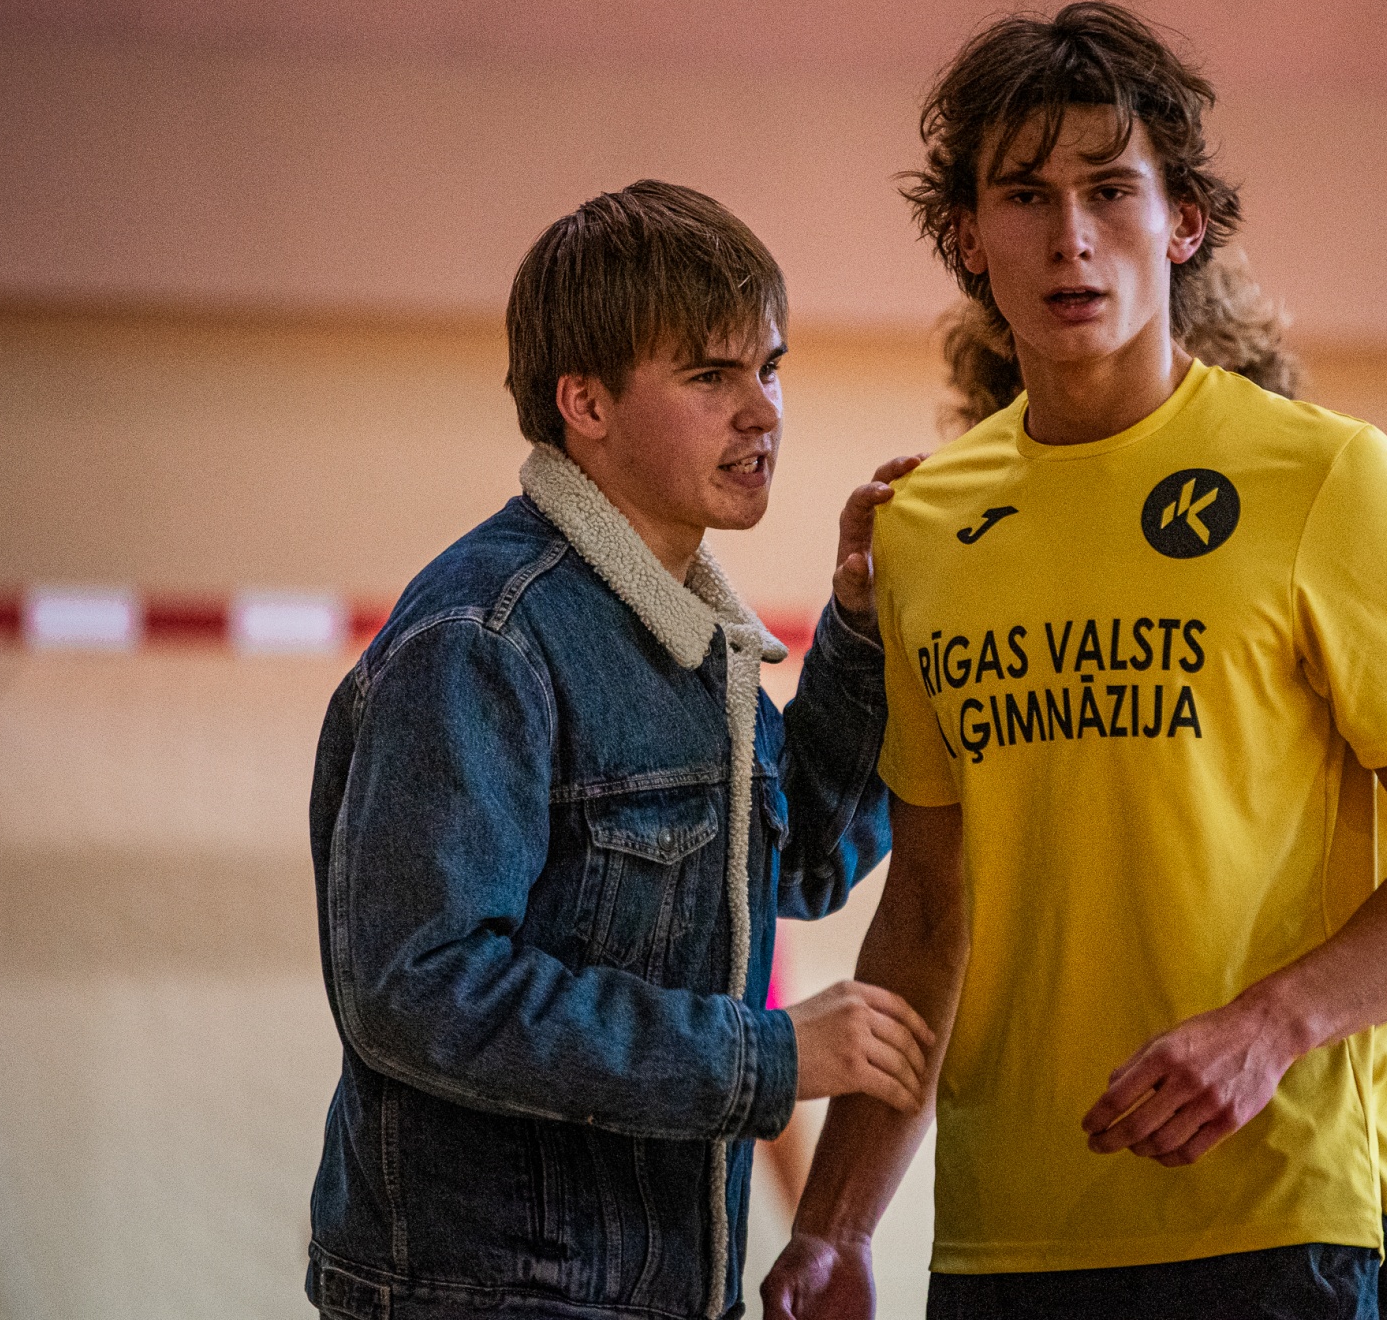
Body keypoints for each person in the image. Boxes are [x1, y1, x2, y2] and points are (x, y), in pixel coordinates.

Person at [763, 1, 1387, 1320]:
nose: (1069, 237)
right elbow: (928, 916)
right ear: (968, 238)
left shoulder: (1328, 479)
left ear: (1183, 223)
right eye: (1023, 196)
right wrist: (835, 1225)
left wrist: (1273, 1026)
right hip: (1002, 1245)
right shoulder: (925, 526)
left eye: (1110, 190)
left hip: (1271, 1223)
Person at [303, 180, 935, 1320]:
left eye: (770, 368)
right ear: (584, 403)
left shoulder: (680, 628)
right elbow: (419, 991)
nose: (762, 412)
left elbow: (796, 864)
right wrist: (765, 1058)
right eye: (710, 376)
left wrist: (863, 632)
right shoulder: (484, 634)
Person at [936, 251, 1387, 1320]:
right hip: (1061, 1196)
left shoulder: (1320, 547)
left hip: (1314, 1182)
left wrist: (1295, 1021)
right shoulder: (984, 552)